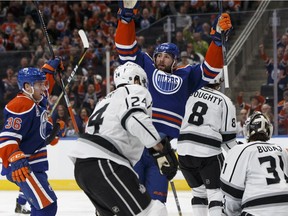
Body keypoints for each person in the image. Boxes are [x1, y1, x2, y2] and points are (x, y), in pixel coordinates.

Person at [115, 0, 233, 202]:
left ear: (175, 60)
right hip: (135, 143)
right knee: (129, 200)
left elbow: (211, 70)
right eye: (158, 56)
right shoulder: (146, 66)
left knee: (157, 203)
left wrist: (217, 41)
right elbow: (125, 50)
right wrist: (126, 20)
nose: (161, 59)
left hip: (163, 148)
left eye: (167, 57)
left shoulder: (187, 75)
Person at [68, 61, 178, 216]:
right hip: (106, 162)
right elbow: (134, 118)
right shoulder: (134, 90)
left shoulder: (104, 101)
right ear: (136, 79)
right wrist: (160, 149)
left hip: (84, 168)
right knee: (153, 211)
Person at [0, 58, 65, 216]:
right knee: (47, 207)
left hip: (33, 165)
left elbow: (45, 91)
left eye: (44, 84)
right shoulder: (21, 104)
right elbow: (6, 138)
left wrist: (51, 68)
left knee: (40, 206)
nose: (44, 88)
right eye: (40, 85)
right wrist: (16, 158)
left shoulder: (36, 100)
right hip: (23, 167)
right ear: (27, 87)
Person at [177, 76, 237, 216]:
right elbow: (228, 138)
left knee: (198, 194)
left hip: (183, 150)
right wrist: (240, 154)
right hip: (208, 151)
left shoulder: (189, 93)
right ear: (220, 80)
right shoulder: (224, 101)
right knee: (216, 193)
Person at [220, 111, 288, 215]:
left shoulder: (240, 150)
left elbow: (231, 192)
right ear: (269, 130)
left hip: (257, 209)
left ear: (247, 130)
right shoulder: (281, 151)